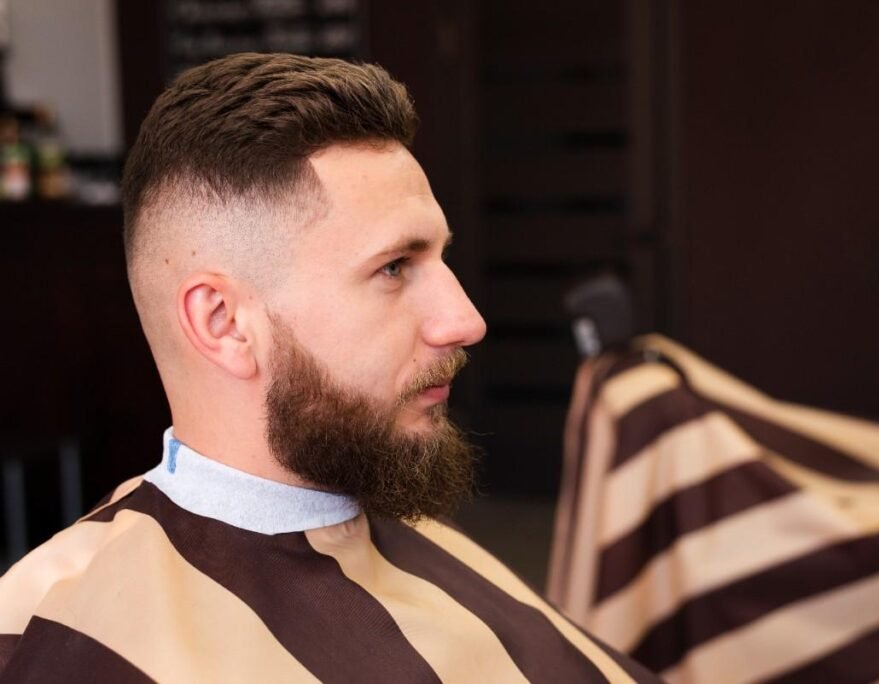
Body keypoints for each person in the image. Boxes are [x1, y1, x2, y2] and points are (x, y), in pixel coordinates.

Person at [0, 53, 656, 682]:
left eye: (439, 259)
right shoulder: (56, 642)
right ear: (224, 323)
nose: (464, 320)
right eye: (394, 267)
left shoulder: (421, 542)